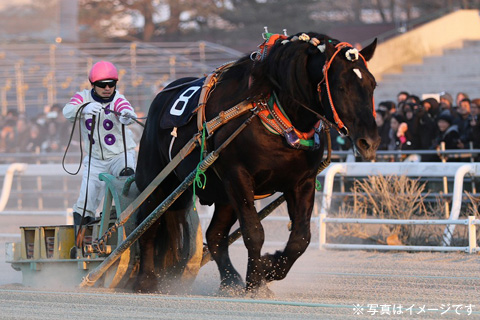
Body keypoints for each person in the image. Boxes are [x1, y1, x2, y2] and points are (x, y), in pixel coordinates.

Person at [63, 61, 137, 226]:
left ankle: (126, 226)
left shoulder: (118, 99)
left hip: (120, 155)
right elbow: (67, 111)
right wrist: (84, 108)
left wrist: (127, 115)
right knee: (85, 203)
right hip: (95, 159)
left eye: (111, 84)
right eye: (102, 85)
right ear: (93, 85)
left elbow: (126, 109)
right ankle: (81, 241)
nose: (107, 88)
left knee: (127, 182)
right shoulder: (82, 97)